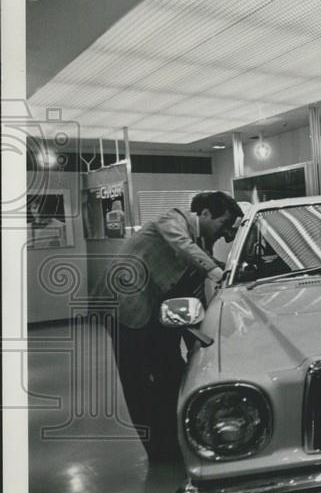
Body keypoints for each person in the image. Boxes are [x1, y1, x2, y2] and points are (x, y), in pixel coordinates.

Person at [94, 191, 243, 461]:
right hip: (124, 307)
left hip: (153, 309)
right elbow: (182, 246)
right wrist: (216, 271)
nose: (223, 233)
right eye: (222, 224)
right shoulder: (174, 220)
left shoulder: (201, 242)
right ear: (205, 214)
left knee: (168, 371)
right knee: (137, 380)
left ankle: (172, 436)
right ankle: (158, 451)